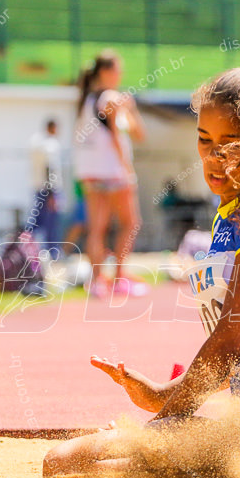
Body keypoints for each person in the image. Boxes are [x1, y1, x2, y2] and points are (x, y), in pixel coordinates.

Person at [43, 48, 240, 478]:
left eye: (228, 146)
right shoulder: (228, 216)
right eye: (205, 141)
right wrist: (158, 394)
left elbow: (231, 340)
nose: (213, 157)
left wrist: (165, 420)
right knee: (64, 464)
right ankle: (235, 454)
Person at [73, 50, 148, 298]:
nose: (121, 74)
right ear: (106, 72)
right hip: (114, 172)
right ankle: (118, 277)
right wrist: (127, 168)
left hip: (90, 173)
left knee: (97, 227)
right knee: (130, 223)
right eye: (118, 69)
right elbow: (128, 136)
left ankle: (97, 281)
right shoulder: (111, 98)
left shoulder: (85, 99)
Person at [27, 118, 63, 249]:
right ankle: (52, 252)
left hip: (38, 188)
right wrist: (51, 193)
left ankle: (25, 249)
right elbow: (50, 167)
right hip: (49, 189)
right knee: (51, 223)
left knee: (37, 221)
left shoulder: (36, 143)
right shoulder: (50, 145)